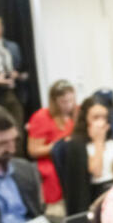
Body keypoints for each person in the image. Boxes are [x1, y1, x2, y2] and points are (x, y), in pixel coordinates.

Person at [61, 96, 113, 216]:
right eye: (96, 118)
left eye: (104, 117)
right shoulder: (77, 146)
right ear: (85, 119)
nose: (101, 122)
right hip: (96, 195)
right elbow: (97, 172)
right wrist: (98, 141)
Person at [26, 80, 77, 208]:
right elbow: (33, 150)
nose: (69, 105)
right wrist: (58, 146)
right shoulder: (42, 117)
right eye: (64, 102)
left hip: (71, 164)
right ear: (55, 101)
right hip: (51, 165)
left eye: (71, 100)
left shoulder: (76, 113)